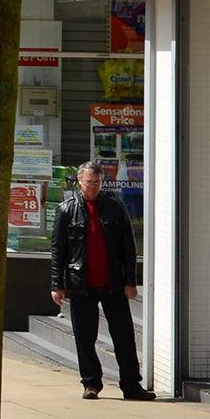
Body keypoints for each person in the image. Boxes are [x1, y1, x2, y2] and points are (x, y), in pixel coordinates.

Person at [51, 162, 153, 401]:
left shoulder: (116, 208)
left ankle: (131, 385)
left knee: (124, 336)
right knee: (85, 337)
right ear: (79, 181)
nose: (93, 186)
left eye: (97, 182)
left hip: (113, 283)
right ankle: (91, 383)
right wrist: (57, 284)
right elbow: (58, 250)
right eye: (89, 182)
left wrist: (131, 281)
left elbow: (128, 247)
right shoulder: (67, 209)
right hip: (80, 283)